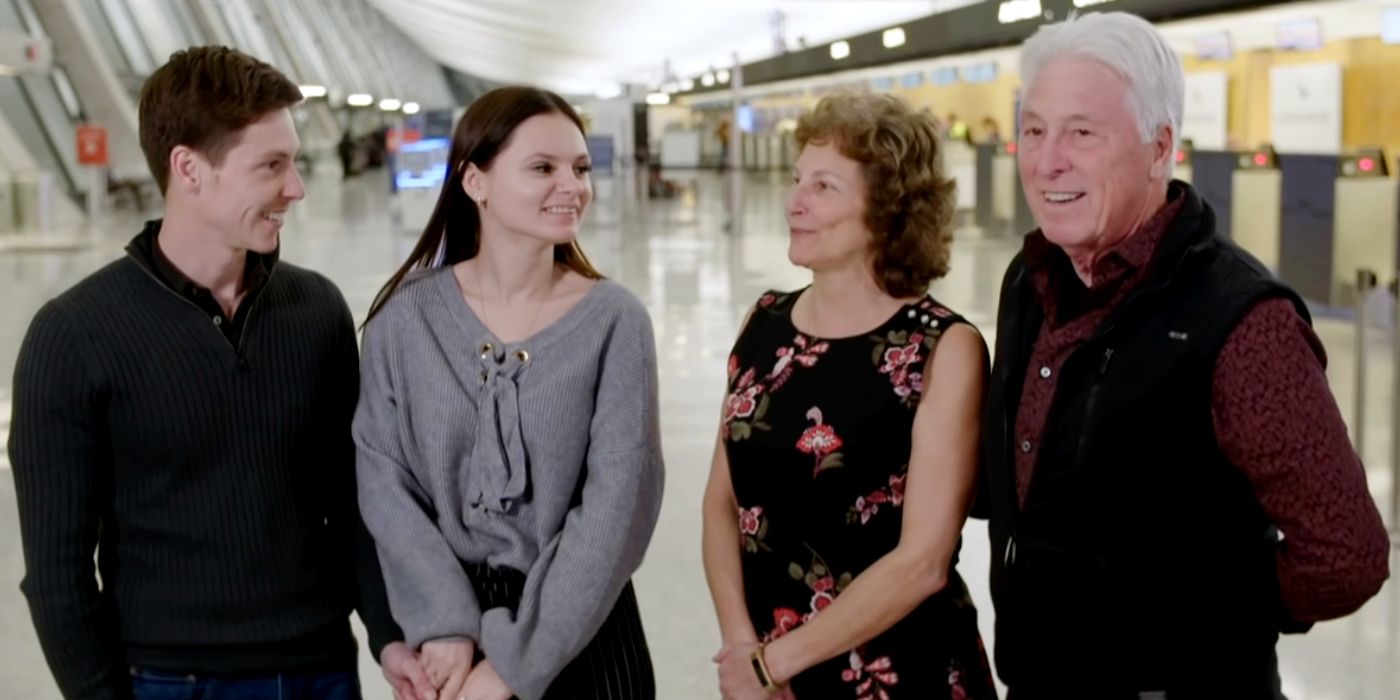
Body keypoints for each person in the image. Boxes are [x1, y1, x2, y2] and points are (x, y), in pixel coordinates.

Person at [982, 12, 1391, 697]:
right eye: (1033, 129)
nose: (1046, 159)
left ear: (1158, 146)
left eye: (1082, 132)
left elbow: (1345, 554)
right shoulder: (1032, 280)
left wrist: (1208, 617)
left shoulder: (1240, 321)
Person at [9, 46, 429, 700]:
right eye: (272, 165)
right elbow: (58, 576)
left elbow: (352, 502)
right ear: (189, 169)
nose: (297, 187)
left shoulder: (315, 310)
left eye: (293, 161)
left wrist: (388, 634)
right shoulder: (74, 336)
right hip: (169, 680)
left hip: (319, 667)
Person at [354, 86, 664, 700]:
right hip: (445, 643)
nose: (572, 186)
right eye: (543, 168)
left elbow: (617, 508)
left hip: (584, 634)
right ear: (476, 182)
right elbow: (383, 483)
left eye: (580, 168)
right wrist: (442, 623)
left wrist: (513, 667)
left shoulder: (614, 323)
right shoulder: (405, 320)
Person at [703, 92, 997, 700]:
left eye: (824, 187)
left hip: (898, 672)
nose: (794, 202)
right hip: (764, 669)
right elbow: (721, 505)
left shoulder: (942, 348)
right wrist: (742, 652)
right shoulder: (763, 324)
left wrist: (773, 664)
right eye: (796, 180)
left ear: (888, 209)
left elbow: (922, 562)